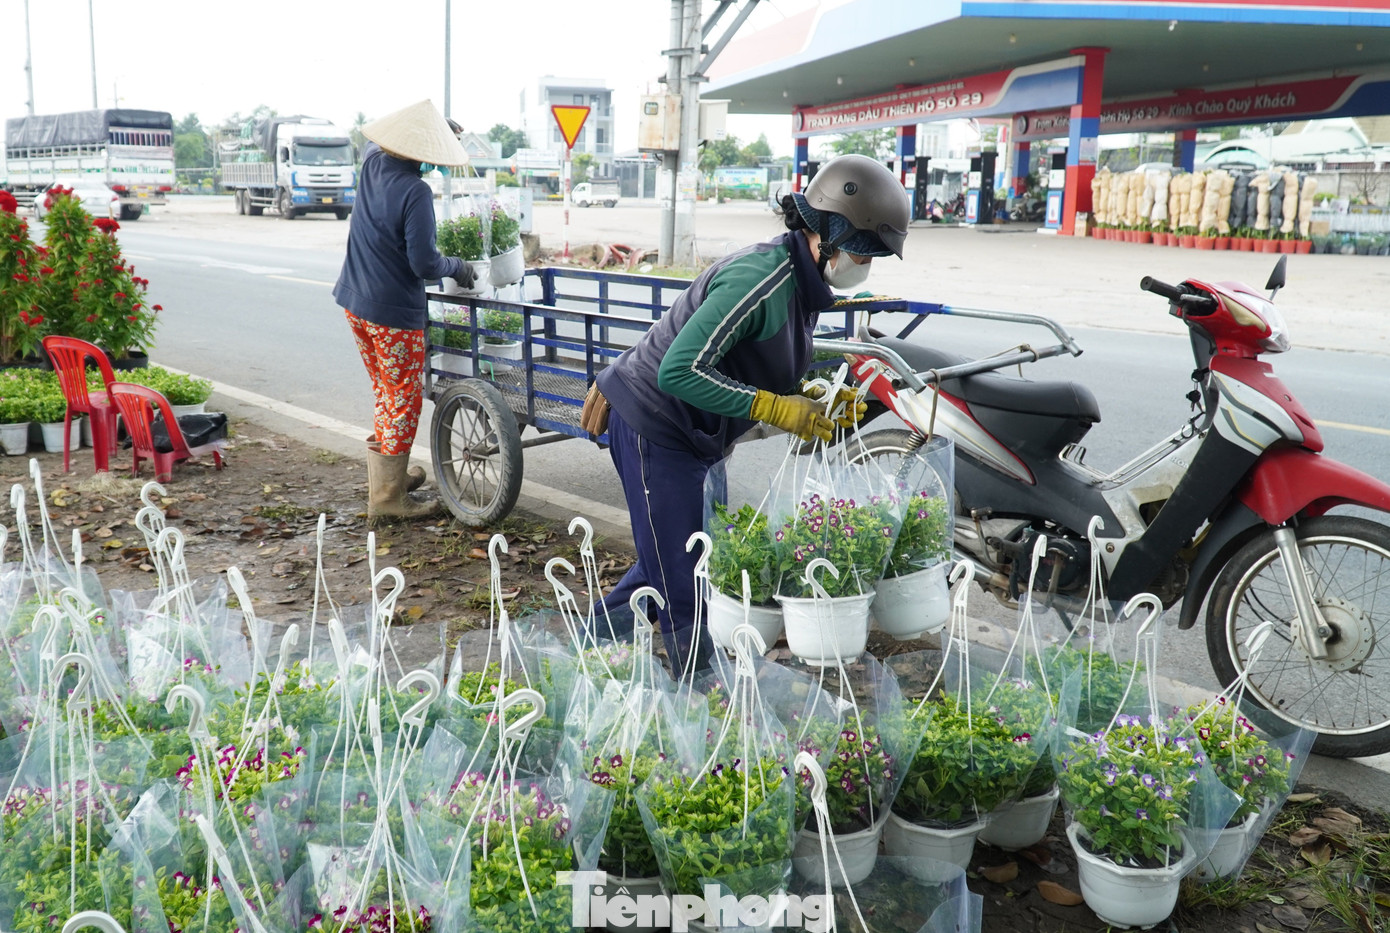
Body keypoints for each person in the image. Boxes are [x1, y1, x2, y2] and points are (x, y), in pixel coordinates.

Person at [579, 154, 911, 671]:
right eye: (861, 252)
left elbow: (755, 356)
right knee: (684, 580)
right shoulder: (760, 279)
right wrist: (774, 408)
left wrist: (812, 392)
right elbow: (678, 371)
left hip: (700, 436)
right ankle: (700, 691)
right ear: (828, 232)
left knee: (676, 560)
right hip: (657, 426)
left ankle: (581, 647)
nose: (864, 265)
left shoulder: (801, 283)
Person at [333, 100, 475, 524]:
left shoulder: (373, 163)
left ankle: (387, 481)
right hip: (392, 313)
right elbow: (425, 264)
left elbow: (379, 144)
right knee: (403, 398)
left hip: (356, 302)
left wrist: (435, 128)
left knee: (386, 391)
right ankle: (388, 498)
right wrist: (459, 267)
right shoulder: (415, 191)